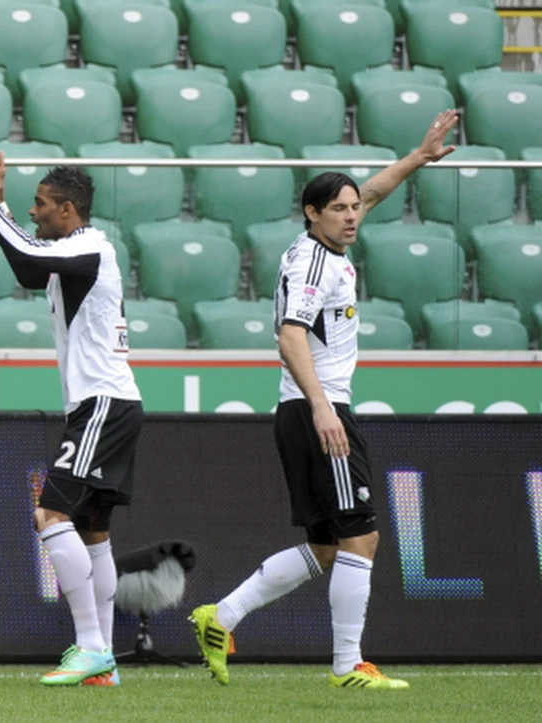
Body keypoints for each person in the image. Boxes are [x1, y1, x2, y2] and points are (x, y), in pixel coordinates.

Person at [189, 110, 460, 690]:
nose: (352, 215)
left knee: (328, 546)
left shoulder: (325, 245)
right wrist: (322, 409)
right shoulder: (314, 263)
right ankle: (347, 666)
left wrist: (418, 157)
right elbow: (290, 335)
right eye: (339, 208)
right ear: (312, 212)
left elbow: (374, 191)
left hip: (307, 410)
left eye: (354, 206)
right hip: (319, 410)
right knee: (362, 538)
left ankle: (222, 616)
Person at [0, 146, 144, 686]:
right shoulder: (75, 251)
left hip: (101, 404)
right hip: (109, 403)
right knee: (93, 533)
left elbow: (25, 253)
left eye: (41, 204)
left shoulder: (89, 246)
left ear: (68, 210)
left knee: (50, 516)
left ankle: (90, 646)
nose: (34, 210)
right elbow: (27, 266)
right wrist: (3, 211)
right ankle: (104, 663)